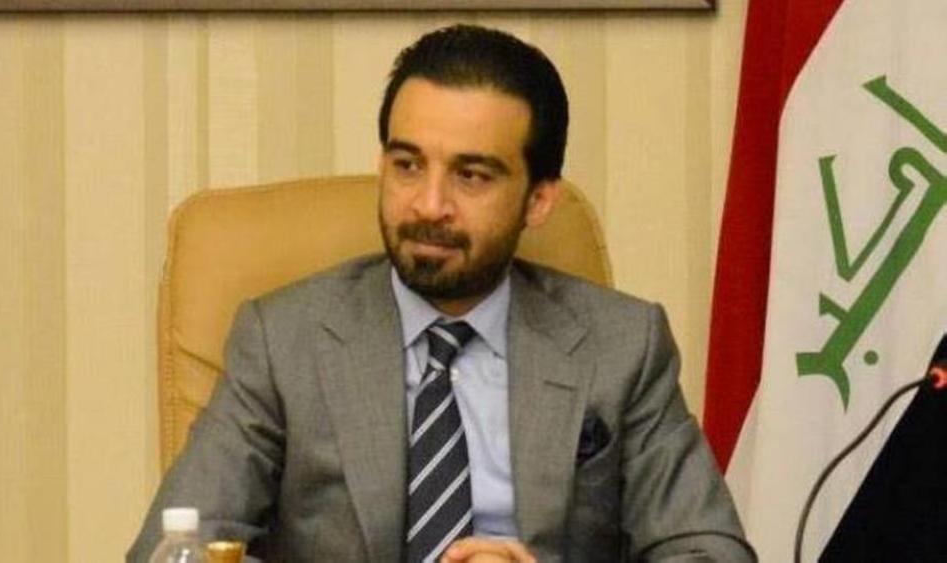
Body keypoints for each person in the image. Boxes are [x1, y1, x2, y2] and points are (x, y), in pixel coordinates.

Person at [129, 24, 755, 563]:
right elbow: (175, 547)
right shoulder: (284, 341)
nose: (429, 205)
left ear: (539, 200)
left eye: (471, 176)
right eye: (407, 165)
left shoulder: (621, 347)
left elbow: (709, 551)